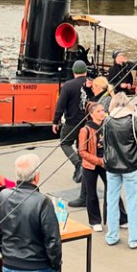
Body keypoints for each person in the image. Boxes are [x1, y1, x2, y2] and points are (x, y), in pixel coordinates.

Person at [103, 92, 137, 249]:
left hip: (111, 165)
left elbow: (105, 142)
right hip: (130, 165)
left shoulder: (107, 121)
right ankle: (134, 238)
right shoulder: (134, 121)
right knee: (132, 201)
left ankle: (112, 236)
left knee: (112, 200)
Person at [52, 59, 91, 208]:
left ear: (74, 72)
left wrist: (56, 121)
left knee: (65, 142)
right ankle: (82, 171)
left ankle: (78, 164)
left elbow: (60, 104)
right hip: (87, 121)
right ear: (85, 71)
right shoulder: (91, 84)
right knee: (82, 146)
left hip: (72, 121)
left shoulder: (68, 86)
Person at [78, 100, 118, 232]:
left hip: (106, 162)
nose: (102, 113)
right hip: (91, 164)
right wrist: (98, 161)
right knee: (91, 193)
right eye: (98, 111)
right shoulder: (85, 130)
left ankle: (120, 218)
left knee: (113, 189)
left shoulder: (108, 126)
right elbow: (82, 151)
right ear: (91, 114)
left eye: (103, 111)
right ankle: (95, 220)